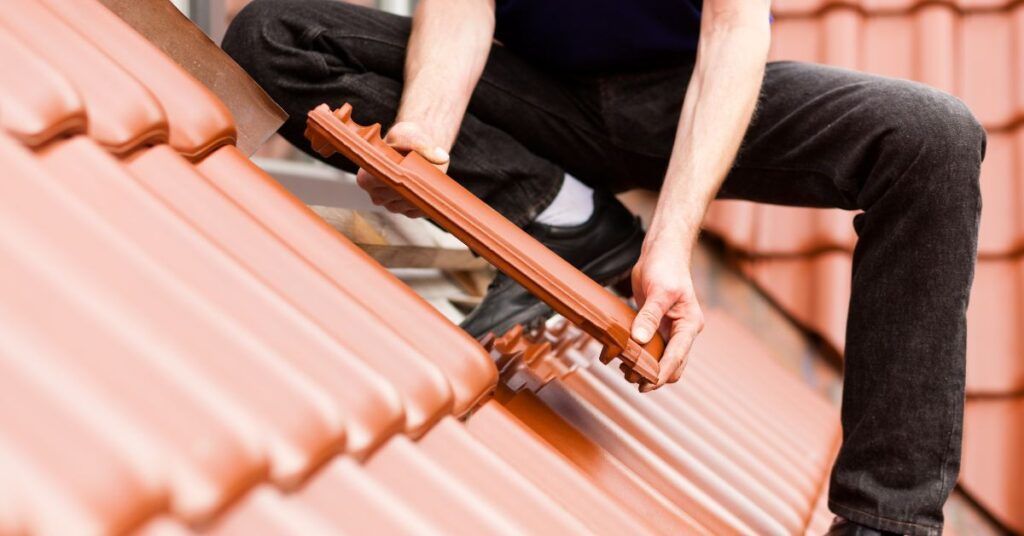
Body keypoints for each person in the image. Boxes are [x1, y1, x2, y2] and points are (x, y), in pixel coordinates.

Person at [222, 0, 985, 533]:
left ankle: (887, 523)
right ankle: (568, 216)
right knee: (274, 33)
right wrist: (424, 132)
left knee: (934, 137)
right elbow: (463, 5)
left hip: (681, 97)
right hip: (534, 90)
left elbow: (733, 29)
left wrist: (671, 243)